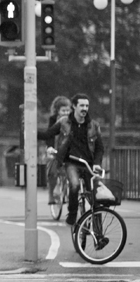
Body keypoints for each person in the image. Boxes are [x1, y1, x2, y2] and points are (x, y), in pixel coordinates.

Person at [38, 93, 104, 226]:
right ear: (74, 106)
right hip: (71, 162)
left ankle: (99, 232)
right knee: (73, 185)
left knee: (95, 198)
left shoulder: (94, 126)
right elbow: (47, 134)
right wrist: (30, 130)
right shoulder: (63, 122)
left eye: (87, 106)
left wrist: (97, 164)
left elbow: (100, 148)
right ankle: (72, 216)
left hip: (88, 164)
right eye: (82, 105)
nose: (85, 108)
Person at [44, 96, 72, 205]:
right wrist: (50, 148)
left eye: (68, 110)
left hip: (67, 149)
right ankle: (51, 193)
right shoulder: (53, 120)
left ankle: (67, 192)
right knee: (52, 170)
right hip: (56, 147)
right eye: (63, 110)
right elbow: (50, 135)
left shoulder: (72, 120)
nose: (66, 112)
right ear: (57, 111)